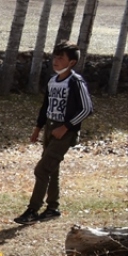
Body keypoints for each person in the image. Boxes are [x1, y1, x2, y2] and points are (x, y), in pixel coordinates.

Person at [14, 42, 93, 225]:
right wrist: (38, 128)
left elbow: (87, 109)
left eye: (61, 58)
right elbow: (46, 106)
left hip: (64, 131)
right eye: (55, 57)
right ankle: (52, 208)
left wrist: (66, 127)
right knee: (52, 169)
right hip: (50, 128)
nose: (56, 61)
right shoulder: (52, 81)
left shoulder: (75, 82)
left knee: (42, 169)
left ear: (71, 62)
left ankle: (32, 210)